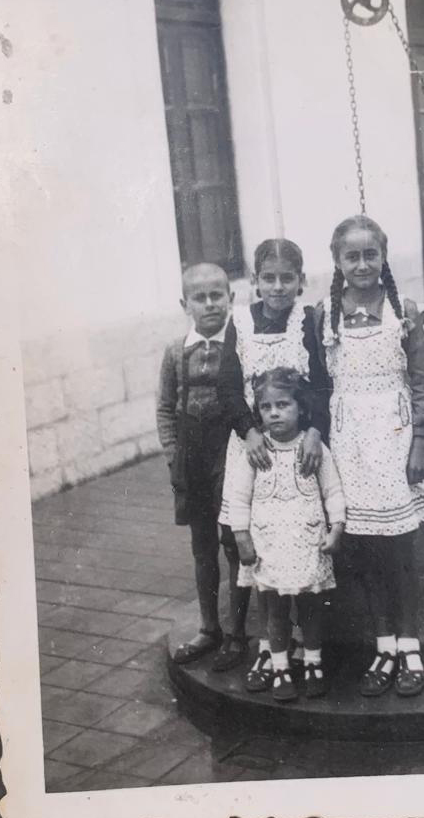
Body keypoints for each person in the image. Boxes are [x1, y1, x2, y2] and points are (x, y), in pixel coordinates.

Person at [316, 215, 424, 698]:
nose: (363, 263)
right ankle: (384, 645)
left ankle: (411, 646)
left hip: (395, 446)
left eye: (371, 254)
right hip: (351, 449)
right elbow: (318, 385)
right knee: (367, 554)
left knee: (400, 552)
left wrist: (419, 444)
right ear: (337, 261)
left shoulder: (403, 311)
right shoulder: (324, 316)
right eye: (352, 256)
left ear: (384, 256)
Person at [217, 238, 331, 691]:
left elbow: (321, 385)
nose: (278, 287)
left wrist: (316, 432)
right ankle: (268, 648)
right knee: (256, 545)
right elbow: (228, 387)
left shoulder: (308, 320)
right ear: (255, 281)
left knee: (300, 542)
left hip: (299, 450)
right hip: (254, 450)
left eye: (287, 278)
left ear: (301, 281)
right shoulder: (239, 323)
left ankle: (306, 646)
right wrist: (248, 431)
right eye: (269, 278)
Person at [156, 263, 250, 670]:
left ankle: (237, 632)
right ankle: (209, 627)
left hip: (229, 456)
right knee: (203, 548)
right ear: (185, 304)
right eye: (200, 297)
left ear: (230, 297)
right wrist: (174, 452)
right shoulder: (177, 351)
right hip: (192, 459)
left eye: (218, 295)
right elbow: (164, 408)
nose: (210, 304)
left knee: (234, 543)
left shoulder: (241, 342)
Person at [231, 367, 345, 702]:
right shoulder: (253, 453)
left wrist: (336, 527)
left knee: (310, 607)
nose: (275, 413)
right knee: (274, 611)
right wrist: (242, 539)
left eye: (283, 405)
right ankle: (280, 667)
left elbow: (333, 491)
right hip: (269, 546)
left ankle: (312, 662)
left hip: (307, 542)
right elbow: (238, 499)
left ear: (301, 408)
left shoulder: (315, 449)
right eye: (267, 408)